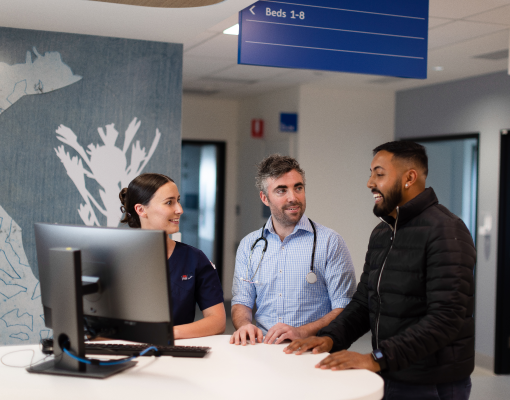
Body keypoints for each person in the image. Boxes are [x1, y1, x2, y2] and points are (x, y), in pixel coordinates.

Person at [284, 141, 476, 400]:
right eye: (371, 173)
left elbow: (446, 319)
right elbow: (365, 302)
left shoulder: (446, 231)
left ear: (409, 178)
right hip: (392, 371)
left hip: (431, 382)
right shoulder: (383, 232)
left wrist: (377, 358)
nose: (370, 182)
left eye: (379, 173)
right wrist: (330, 338)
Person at [230, 154, 357, 346]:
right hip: (264, 350)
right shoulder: (250, 245)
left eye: (298, 188)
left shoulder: (330, 242)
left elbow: (345, 307)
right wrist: (244, 325)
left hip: (312, 349)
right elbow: (242, 301)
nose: (293, 197)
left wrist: (302, 332)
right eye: (281, 190)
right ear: (265, 198)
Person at [119, 173, 226, 339]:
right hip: (123, 349)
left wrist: (167, 333)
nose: (180, 210)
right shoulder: (117, 259)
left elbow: (217, 321)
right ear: (141, 210)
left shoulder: (194, 259)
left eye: (178, 200)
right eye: (169, 202)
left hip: (175, 350)